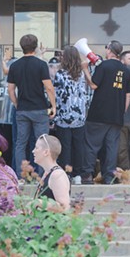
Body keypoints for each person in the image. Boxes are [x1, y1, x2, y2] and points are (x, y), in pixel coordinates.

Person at [80, 40, 130, 185]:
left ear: (109, 50)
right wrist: (122, 111)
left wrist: (85, 69)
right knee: (111, 147)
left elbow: (93, 85)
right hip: (116, 115)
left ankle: (87, 175)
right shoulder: (126, 70)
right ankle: (109, 176)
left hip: (99, 113)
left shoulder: (104, 66)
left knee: (91, 144)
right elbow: (128, 94)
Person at [7, 34, 56, 175]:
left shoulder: (15, 65)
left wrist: (16, 103)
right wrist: (53, 106)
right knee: (42, 143)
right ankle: (42, 175)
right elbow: (49, 87)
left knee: (20, 143)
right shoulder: (41, 64)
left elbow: (11, 89)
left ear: (21, 47)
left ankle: (20, 175)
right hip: (40, 109)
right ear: (35, 47)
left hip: (22, 109)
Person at [53, 46, 88, 184]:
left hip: (64, 115)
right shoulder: (82, 74)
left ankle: (67, 173)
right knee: (78, 145)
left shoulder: (60, 74)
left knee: (65, 145)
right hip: (79, 115)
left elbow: (56, 94)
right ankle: (78, 174)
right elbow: (87, 94)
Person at [33, 134, 70, 210]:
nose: (33, 151)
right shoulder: (47, 173)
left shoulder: (57, 175)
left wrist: (39, 203)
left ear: (46, 152)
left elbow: (64, 207)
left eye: (36, 148)